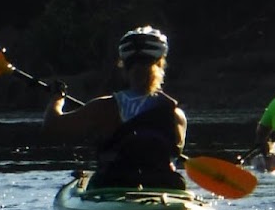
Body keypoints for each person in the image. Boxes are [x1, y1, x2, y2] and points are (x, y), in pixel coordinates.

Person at [42, 26, 187, 190]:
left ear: (123, 66)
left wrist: (57, 99)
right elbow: (172, 154)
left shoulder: (103, 107)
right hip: (165, 187)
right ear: (161, 64)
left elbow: (51, 126)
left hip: (111, 185)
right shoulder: (176, 115)